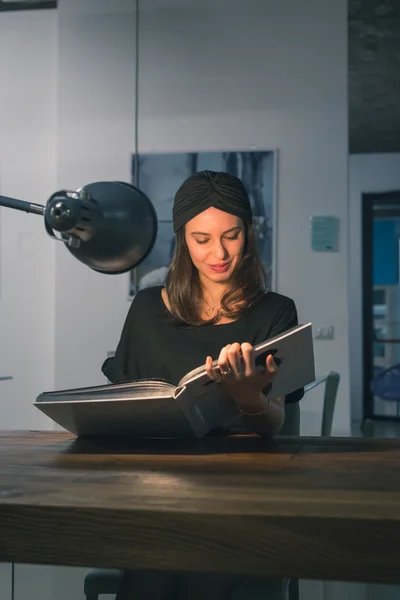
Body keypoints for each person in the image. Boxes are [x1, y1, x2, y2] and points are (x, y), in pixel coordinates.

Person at [102, 169, 303, 600]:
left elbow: (275, 425)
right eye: (202, 239)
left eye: (231, 236)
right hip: (158, 488)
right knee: (152, 572)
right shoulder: (145, 309)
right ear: (182, 240)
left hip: (241, 492)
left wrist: (249, 398)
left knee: (206, 572)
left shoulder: (276, 312)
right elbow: (125, 407)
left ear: (248, 233)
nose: (219, 253)